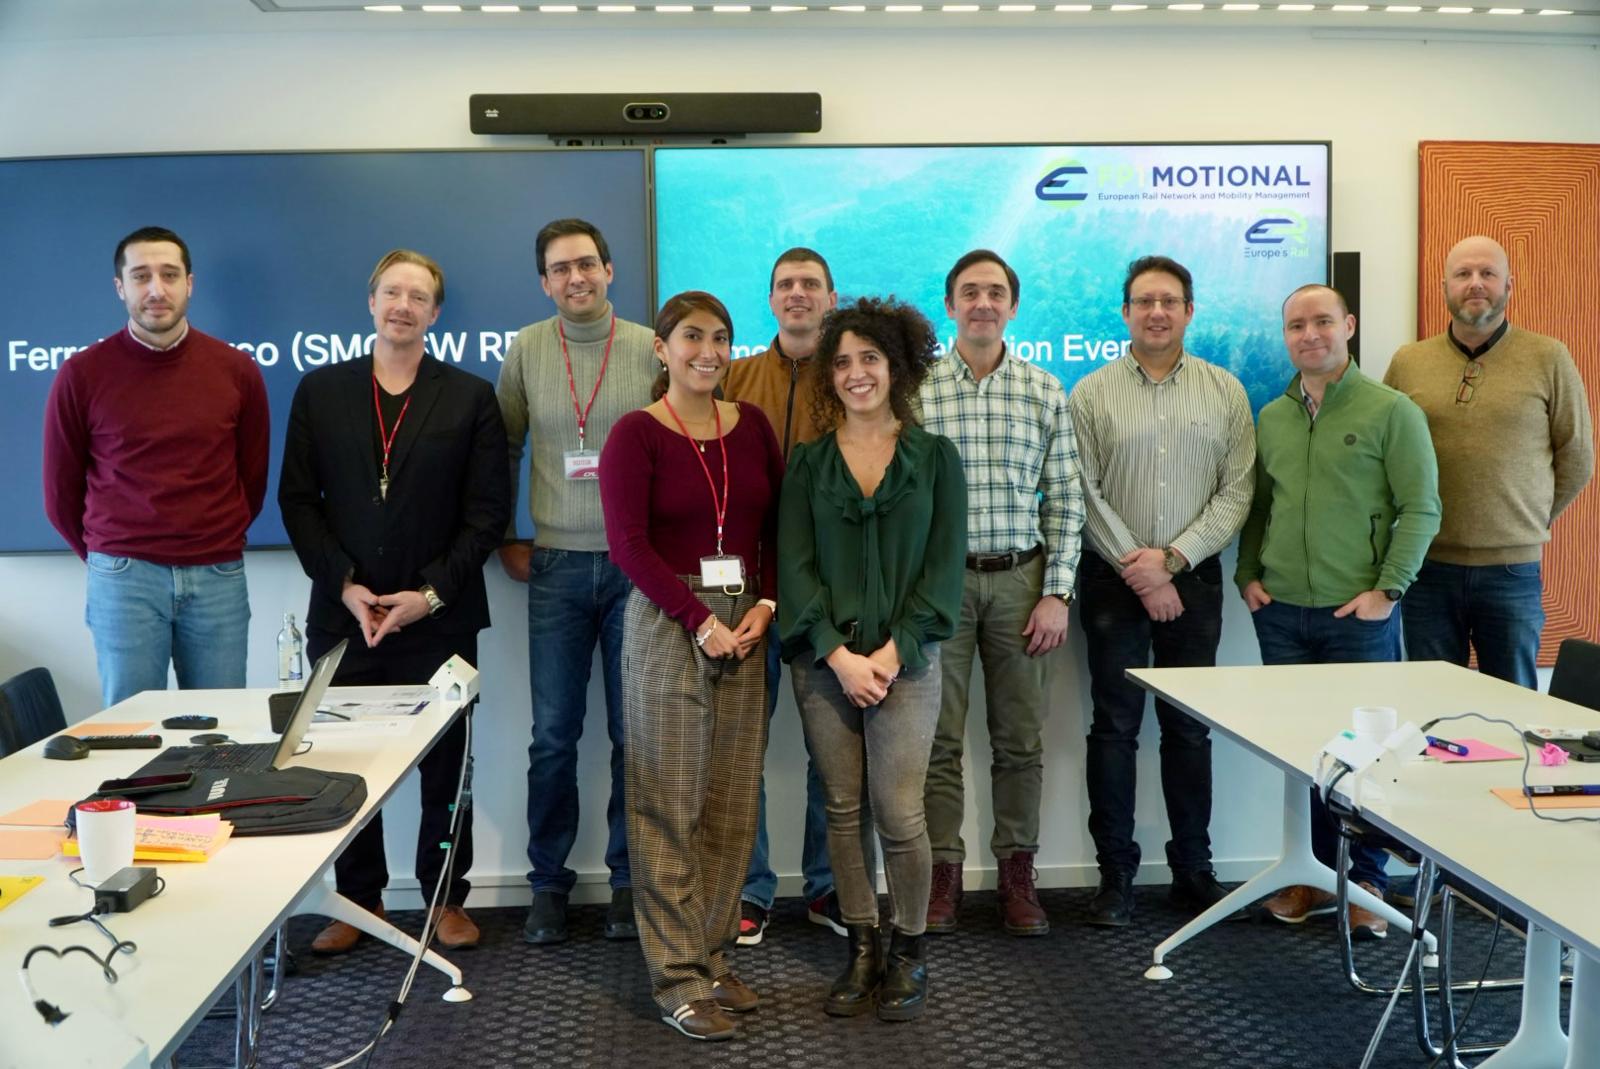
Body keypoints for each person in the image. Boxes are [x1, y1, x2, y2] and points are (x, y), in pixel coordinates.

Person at [280, 250, 510, 954]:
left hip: (439, 618)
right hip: (345, 616)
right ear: (371, 301)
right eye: (391, 292)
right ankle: (357, 898)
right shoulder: (321, 391)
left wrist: (428, 595)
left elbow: (487, 513)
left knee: (447, 769)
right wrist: (346, 585)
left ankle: (445, 897)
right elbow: (297, 501)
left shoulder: (469, 397)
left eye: (418, 296)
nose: (403, 305)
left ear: (435, 313)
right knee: (347, 764)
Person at [599, 291, 784, 1041]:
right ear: (662, 348)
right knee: (667, 801)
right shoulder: (636, 433)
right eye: (692, 337)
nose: (708, 351)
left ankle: (711, 956)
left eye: (720, 338)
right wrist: (698, 619)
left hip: (745, 620)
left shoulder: (754, 426)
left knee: (731, 802)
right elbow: (628, 545)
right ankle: (675, 977)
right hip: (669, 620)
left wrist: (766, 603)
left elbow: (777, 527)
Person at [780, 296, 966, 1022]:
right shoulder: (808, 464)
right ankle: (861, 947)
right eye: (843, 362)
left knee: (899, 811)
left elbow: (943, 574)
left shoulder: (936, 458)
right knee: (843, 808)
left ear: (898, 368)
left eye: (870, 358)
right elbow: (795, 571)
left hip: (906, 663)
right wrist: (839, 656)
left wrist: (888, 655)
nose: (856, 373)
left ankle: (908, 949)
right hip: (825, 665)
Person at [1236, 284, 1440, 940]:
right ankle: (1314, 874)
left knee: (1365, 758)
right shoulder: (1273, 416)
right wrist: (1247, 573)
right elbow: (1260, 505)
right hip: (1281, 612)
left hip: (1358, 615)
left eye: (1322, 321)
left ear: (1348, 325)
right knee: (1305, 753)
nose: (1310, 334)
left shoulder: (1392, 410)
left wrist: (1389, 590)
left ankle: (1367, 881)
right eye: (1296, 325)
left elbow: (1421, 508)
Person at [1070, 256, 1255, 927]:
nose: (1156, 312)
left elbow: (1237, 490)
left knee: (1188, 728)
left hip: (1194, 580)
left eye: (1169, 301)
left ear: (1189, 311)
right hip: (1111, 580)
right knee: (1114, 726)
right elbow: (1082, 490)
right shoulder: (1090, 393)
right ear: (1125, 313)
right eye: (1144, 301)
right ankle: (1115, 875)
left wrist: (1172, 560)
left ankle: (1193, 871)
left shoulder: (1225, 391)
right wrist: (1141, 570)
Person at [495, 218, 657, 945]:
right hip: (556, 565)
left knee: (633, 734)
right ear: (544, 282)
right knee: (554, 737)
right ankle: (547, 885)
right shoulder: (527, 349)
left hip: (635, 569)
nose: (576, 278)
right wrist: (506, 534)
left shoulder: (649, 347)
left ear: (610, 270)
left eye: (587, 264)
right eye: (560, 269)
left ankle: (628, 883)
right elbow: (503, 448)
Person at [918, 249, 1084, 937]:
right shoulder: (916, 389)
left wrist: (1057, 593)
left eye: (995, 292)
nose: (982, 302)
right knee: (936, 740)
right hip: (940, 586)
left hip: (1022, 582)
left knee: (1020, 740)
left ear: (1013, 307)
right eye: (969, 292)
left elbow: (1066, 498)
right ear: (950, 306)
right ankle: (941, 877)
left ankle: (1019, 877)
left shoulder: (1044, 389)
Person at [42, 226, 270, 709]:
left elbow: (252, 479)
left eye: (169, 275)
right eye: (141, 276)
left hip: (217, 574)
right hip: (124, 577)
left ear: (190, 283)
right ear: (120, 287)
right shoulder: (81, 374)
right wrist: (111, 555)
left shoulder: (237, 371)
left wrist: (210, 538)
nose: (156, 289)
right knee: (130, 730)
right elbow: (59, 493)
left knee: (222, 726)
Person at [1384, 235, 1594, 689]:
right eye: (1463, 274)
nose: (1475, 283)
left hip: (1511, 572)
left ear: (1508, 285)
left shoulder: (1549, 357)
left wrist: (1528, 518)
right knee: (1433, 702)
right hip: (1427, 567)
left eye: (1487, 273)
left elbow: (1578, 457)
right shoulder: (1408, 362)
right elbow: (1386, 456)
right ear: (1445, 287)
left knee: (1513, 702)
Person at [721, 247, 845, 945]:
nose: (797, 293)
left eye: (810, 284)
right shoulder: (733, 378)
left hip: (832, 592)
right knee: (744, 748)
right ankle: (750, 889)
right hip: (747, 592)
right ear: (770, 299)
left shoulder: (853, 373)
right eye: (785, 285)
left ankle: (829, 887)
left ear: (831, 297)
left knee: (834, 751)